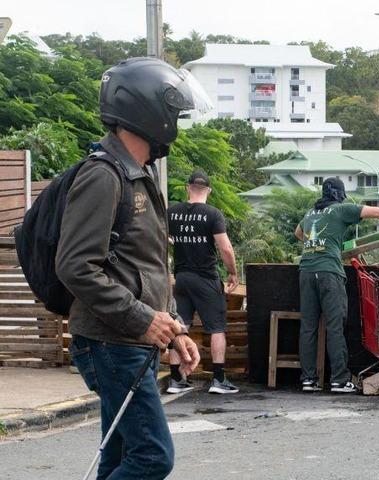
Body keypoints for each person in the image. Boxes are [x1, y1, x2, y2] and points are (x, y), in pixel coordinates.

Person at [57, 57, 204, 479]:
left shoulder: (137, 175)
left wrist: (172, 327)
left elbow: (145, 267)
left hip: (125, 339)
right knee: (152, 457)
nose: (175, 120)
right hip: (109, 341)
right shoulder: (104, 175)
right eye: (173, 110)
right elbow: (75, 265)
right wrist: (142, 319)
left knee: (120, 459)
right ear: (147, 111)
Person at [295, 177, 379, 393]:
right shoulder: (341, 209)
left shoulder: (310, 213)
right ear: (340, 195)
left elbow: (298, 233)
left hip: (306, 272)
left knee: (308, 327)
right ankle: (338, 380)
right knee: (334, 326)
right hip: (329, 272)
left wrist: (316, 245)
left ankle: (308, 379)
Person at [166, 171, 240, 395]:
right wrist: (233, 272)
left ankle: (176, 380)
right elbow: (225, 248)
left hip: (181, 278)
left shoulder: (171, 212)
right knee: (217, 327)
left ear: (188, 188)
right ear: (208, 190)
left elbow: (158, 237)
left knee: (180, 326)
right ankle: (218, 379)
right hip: (206, 278)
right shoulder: (212, 214)